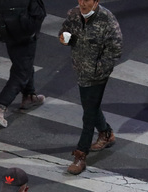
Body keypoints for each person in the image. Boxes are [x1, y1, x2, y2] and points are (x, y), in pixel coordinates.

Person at [59, 0, 122, 175]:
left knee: (88, 115)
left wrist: (99, 69)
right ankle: (106, 133)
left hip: (98, 76)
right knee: (90, 107)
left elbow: (116, 49)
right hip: (80, 71)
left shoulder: (107, 19)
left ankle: (80, 155)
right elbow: (64, 31)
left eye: (87, 0)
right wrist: (64, 38)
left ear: (96, 1)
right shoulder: (73, 14)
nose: (83, 3)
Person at [0, 0, 47, 127]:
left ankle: (29, 97)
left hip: (7, 30)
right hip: (24, 33)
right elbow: (38, 13)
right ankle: (0, 106)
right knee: (21, 72)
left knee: (23, 63)